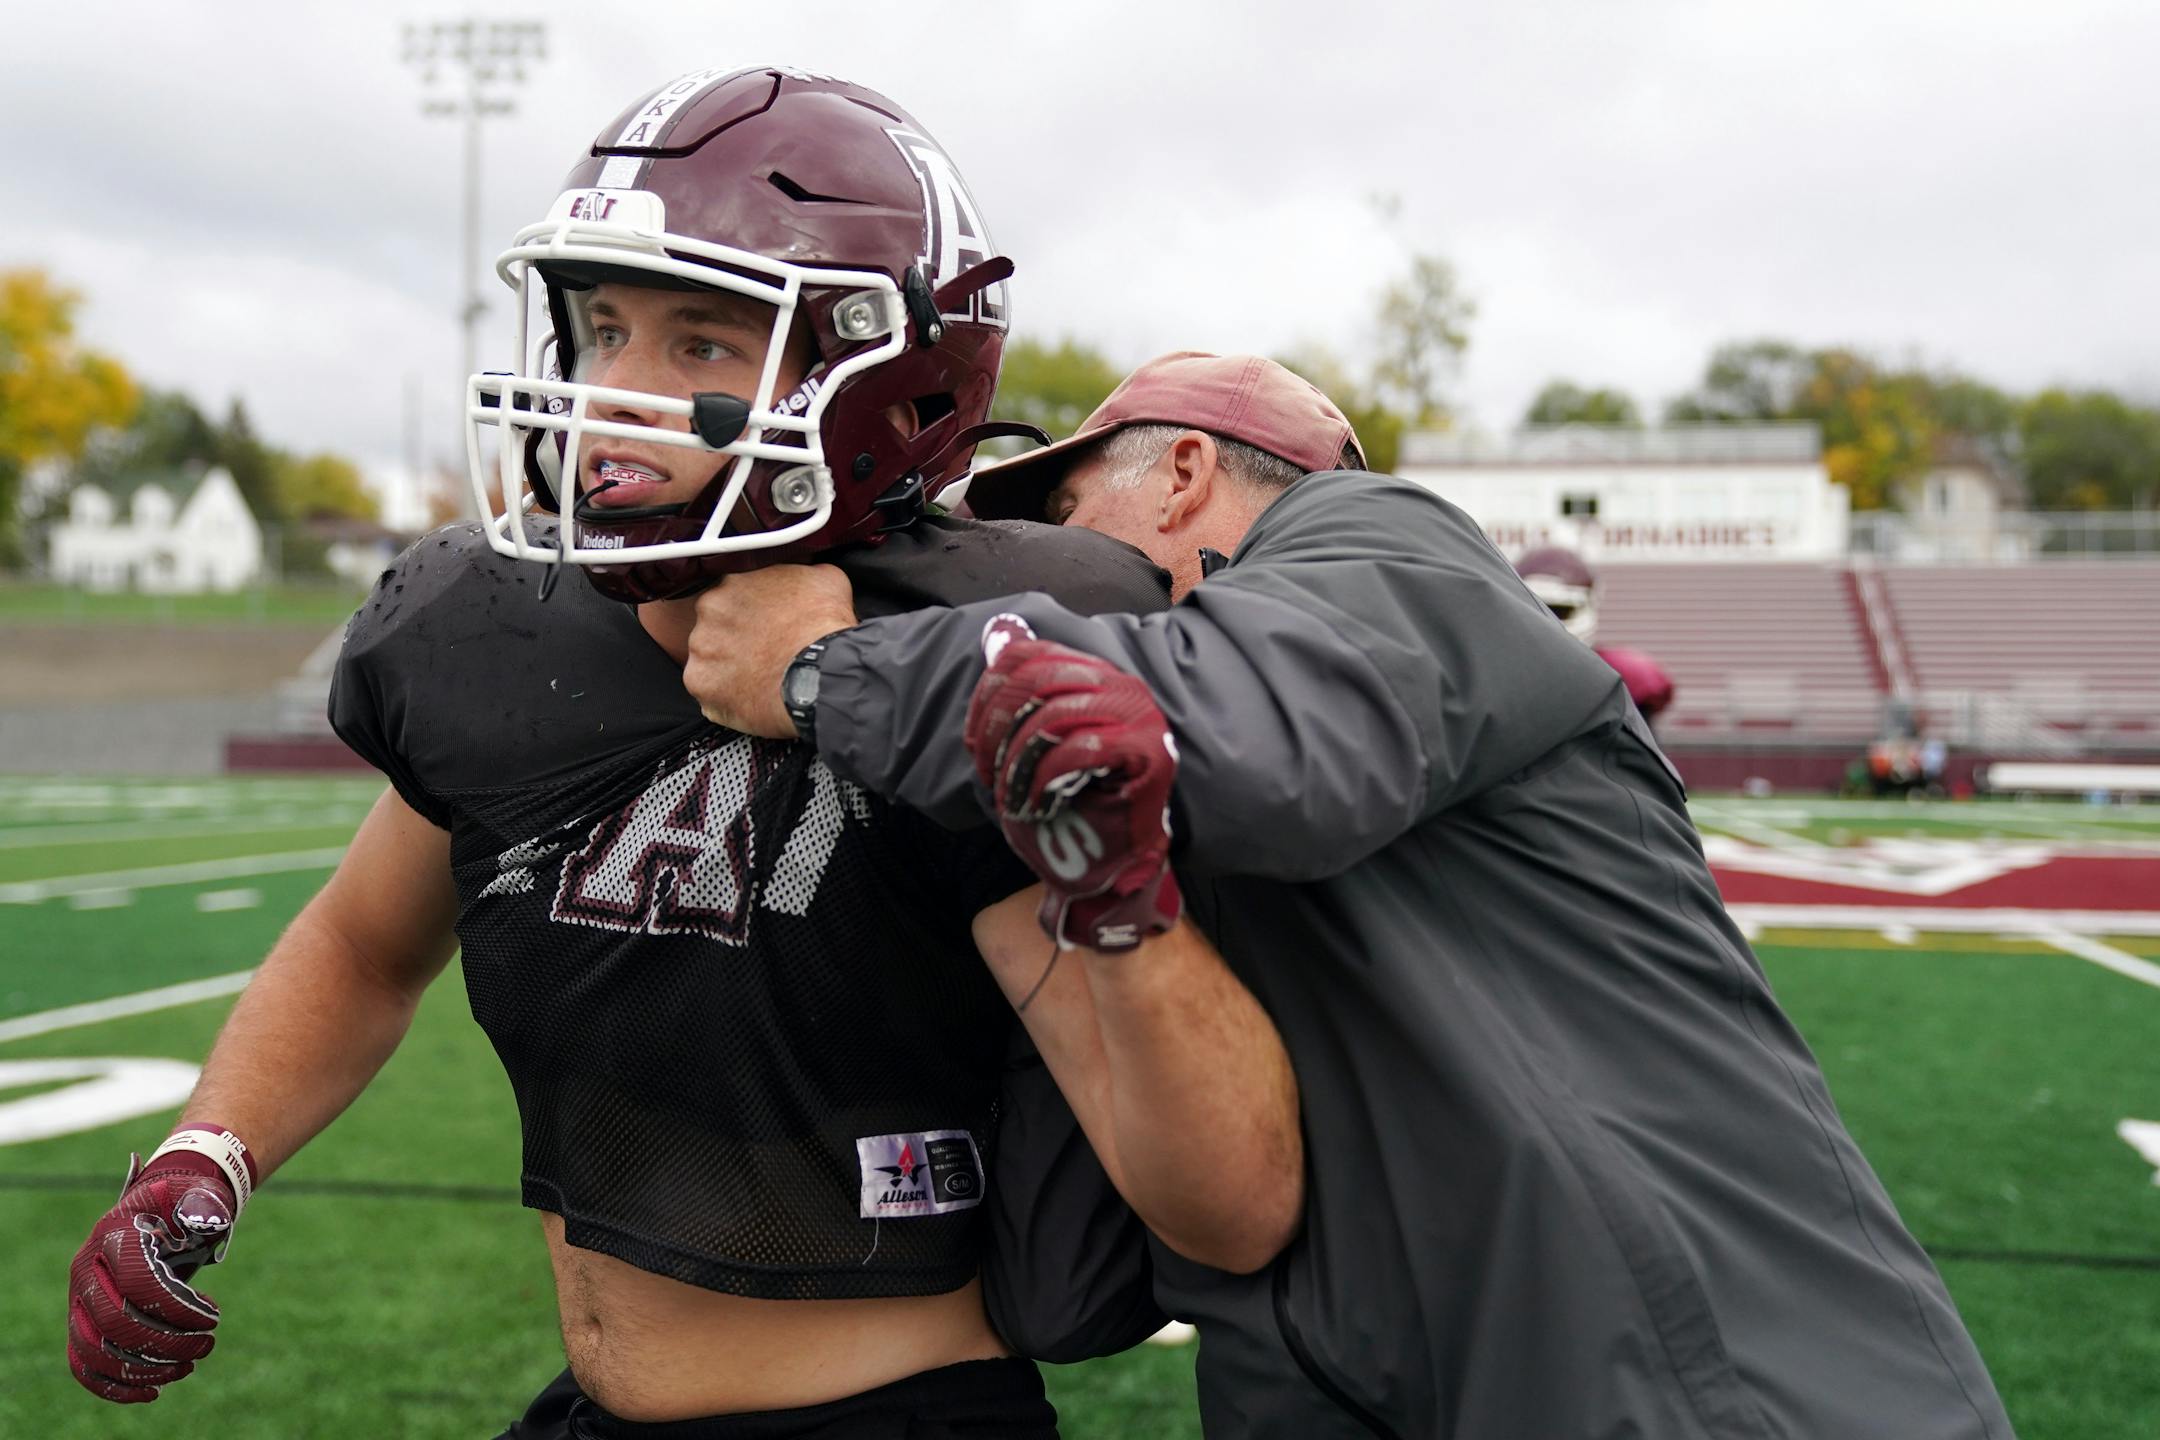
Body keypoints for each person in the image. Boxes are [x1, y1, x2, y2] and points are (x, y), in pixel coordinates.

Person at [63, 73, 1303, 1438]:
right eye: (602, 331)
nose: (615, 396)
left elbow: (1230, 1208)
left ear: (884, 373)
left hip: (884, 1413)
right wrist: (207, 1152)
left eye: (705, 347)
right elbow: (365, 946)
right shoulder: (491, 622)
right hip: (590, 1408)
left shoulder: (960, 660)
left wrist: (1116, 884)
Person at [680, 351, 2018, 1439]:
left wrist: (832, 673)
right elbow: (1067, 1284)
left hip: (1695, 1386)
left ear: (1188, 469)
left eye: (1062, 515)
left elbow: (1257, 741)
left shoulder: (1386, 540)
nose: (1038, 568)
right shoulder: (1164, 805)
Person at [1512, 543, 1676, 725]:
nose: (1549, 623)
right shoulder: (1498, 672)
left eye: (1559, 610)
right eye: (1534, 611)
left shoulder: (1622, 676)